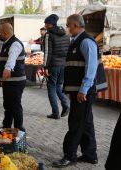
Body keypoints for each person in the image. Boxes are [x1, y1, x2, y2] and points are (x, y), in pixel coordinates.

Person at [52, 14, 107, 168]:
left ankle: (69, 156)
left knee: (75, 123)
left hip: (84, 92)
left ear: (75, 25)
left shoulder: (86, 42)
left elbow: (91, 69)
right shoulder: (77, 41)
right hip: (79, 91)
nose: (67, 28)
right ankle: (90, 155)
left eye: (69, 25)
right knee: (86, 122)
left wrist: (83, 90)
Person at [0, 22, 26, 131]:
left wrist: (8, 68)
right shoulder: (7, 43)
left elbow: (12, 57)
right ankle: (6, 126)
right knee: (8, 106)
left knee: (15, 106)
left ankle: (19, 128)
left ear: (5, 33)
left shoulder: (15, 44)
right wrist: (1, 78)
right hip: (8, 81)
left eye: (0, 33)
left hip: (16, 82)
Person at [43, 14, 70, 119]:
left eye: (46, 23)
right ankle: (66, 105)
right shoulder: (65, 34)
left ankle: (55, 113)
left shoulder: (48, 35)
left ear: (50, 24)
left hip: (53, 65)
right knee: (58, 86)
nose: (44, 25)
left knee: (51, 87)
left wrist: (45, 67)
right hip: (63, 65)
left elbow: (47, 52)